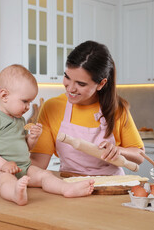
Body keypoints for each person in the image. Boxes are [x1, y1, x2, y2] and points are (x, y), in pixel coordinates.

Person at [0, 64, 95, 206]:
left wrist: (31, 139)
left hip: (24, 168)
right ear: (4, 96)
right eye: (25, 101)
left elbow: (24, 147)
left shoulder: (19, 120)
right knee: (6, 181)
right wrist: (3, 165)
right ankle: (16, 194)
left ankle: (66, 188)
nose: (28, 106)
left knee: (45, 175)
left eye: (30, 102)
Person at [29, 41, 145, 176]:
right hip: (71, 187)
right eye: (67, 77)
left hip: (111, 187)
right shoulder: (52, 107)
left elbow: (140, 155)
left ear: (101, 83)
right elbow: (38, 163)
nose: (71, 88)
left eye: (81, 83)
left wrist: (118, 150)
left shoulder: (116, 109)